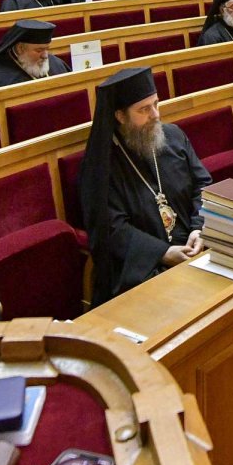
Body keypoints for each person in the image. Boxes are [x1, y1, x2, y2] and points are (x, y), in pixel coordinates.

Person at [79, 67, 209, 306]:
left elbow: (202, 185)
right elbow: (112, 229)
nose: (156, 114)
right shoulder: (101, 164)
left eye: (156, 104)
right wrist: (163, 253)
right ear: (120, 116)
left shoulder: (173, 136)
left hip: (197, 244)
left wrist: (198, 228)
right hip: (145, 265)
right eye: (144, 109)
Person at [0, 19, 71, 95]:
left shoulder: (57, 64)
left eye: (47, 48)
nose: (46, 56)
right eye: (39, 50)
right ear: (20, 48)